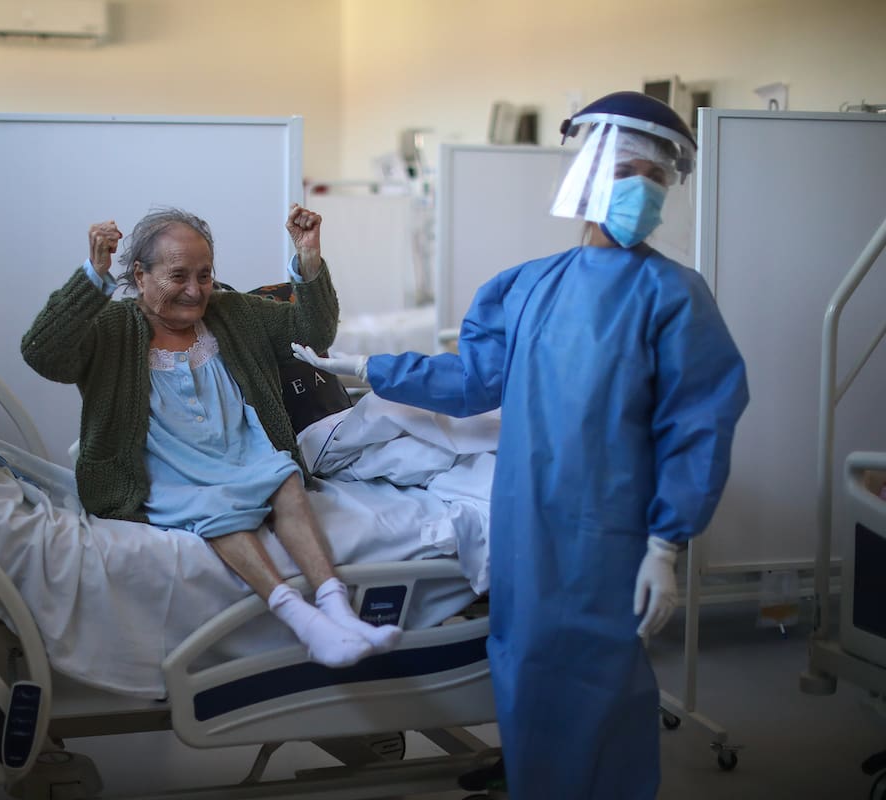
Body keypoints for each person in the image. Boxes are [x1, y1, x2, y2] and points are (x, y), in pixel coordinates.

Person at [293, 91, 749, 799]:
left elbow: (699, 424)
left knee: (601, 674)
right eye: (625, 172)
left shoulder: (674, 296)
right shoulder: (529, 287)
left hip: (612, 527)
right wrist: (372, 368)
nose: (641, 191)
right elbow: (474, 380)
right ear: (589, 178)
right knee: (524, 661)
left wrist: (667, 544)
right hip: (526, 515)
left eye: (656, 179)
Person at [21, 204, 401, 670]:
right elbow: (42, 353)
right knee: (216, 506)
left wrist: (308, 259)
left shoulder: (231, 313)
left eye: (204, 275)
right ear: (140, 275)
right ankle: (304, 622)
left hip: (241, 448)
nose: (195, 289)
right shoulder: (111, 328)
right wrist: (92, 276)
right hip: (166, 465)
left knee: (285, 479)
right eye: (178, 276)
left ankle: (338, 609)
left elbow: (312, 332)